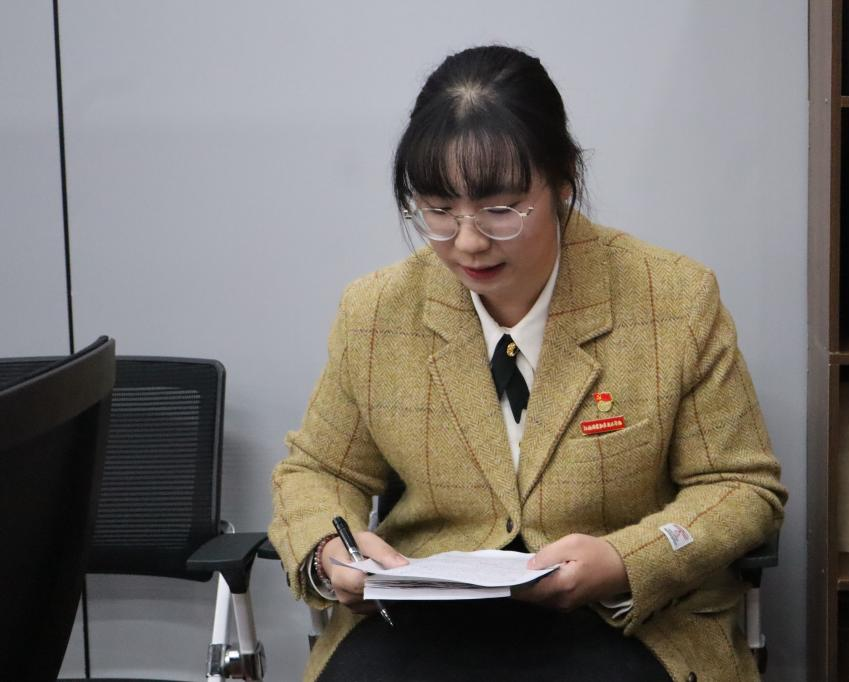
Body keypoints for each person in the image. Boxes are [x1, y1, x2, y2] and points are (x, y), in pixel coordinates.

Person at [269, 44, 787, 682]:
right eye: (438, 211)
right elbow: (317, 470)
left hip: (626, 618)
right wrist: (329, 551)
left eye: (500, 210)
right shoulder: (377, 312)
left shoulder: (672, 300)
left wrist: (626, 559)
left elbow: (740, 486)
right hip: (424, 619)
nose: (468, 242)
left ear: (563, 180)